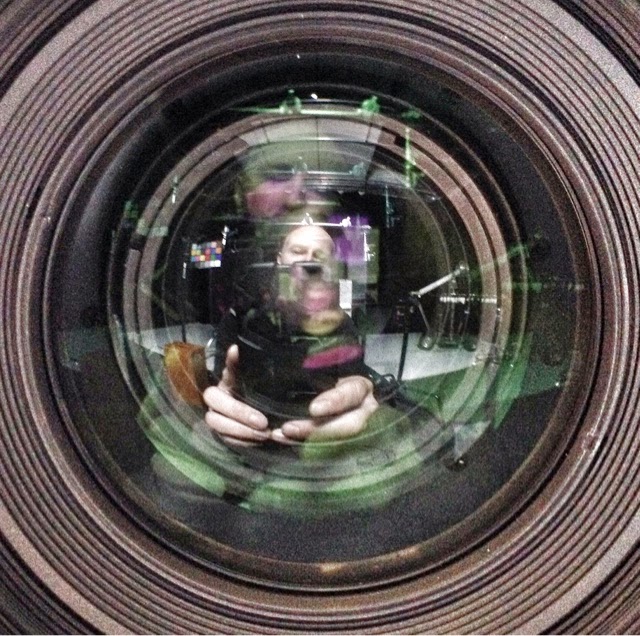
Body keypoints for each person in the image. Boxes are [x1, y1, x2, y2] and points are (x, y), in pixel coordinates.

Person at [203, 222, 379, 446]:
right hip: (252, 435)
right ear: (279, 259)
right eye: (297, 251)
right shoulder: (242, 319)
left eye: (320, 256)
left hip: (318, 443)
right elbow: (222, 383)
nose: (308, 261)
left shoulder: (341, 324)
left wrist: (360, 406)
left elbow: (353, 384)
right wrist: (221, 410)